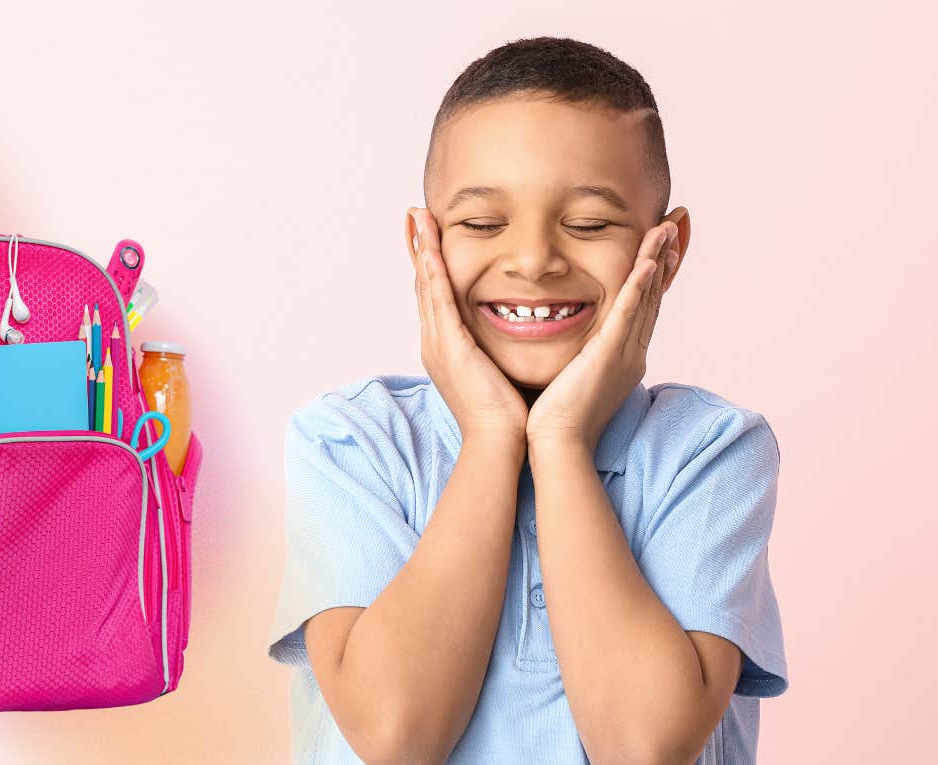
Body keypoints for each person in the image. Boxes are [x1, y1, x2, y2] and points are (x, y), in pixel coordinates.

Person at [267, 36, 788, 764]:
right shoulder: (351, 442)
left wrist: (563, 441)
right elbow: (395, 732)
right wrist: (488, 434)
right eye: (483, 223)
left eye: (588, 223)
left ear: (665, 251)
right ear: (426, 242)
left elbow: (644, 745)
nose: (534, 258)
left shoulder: (709, 451)